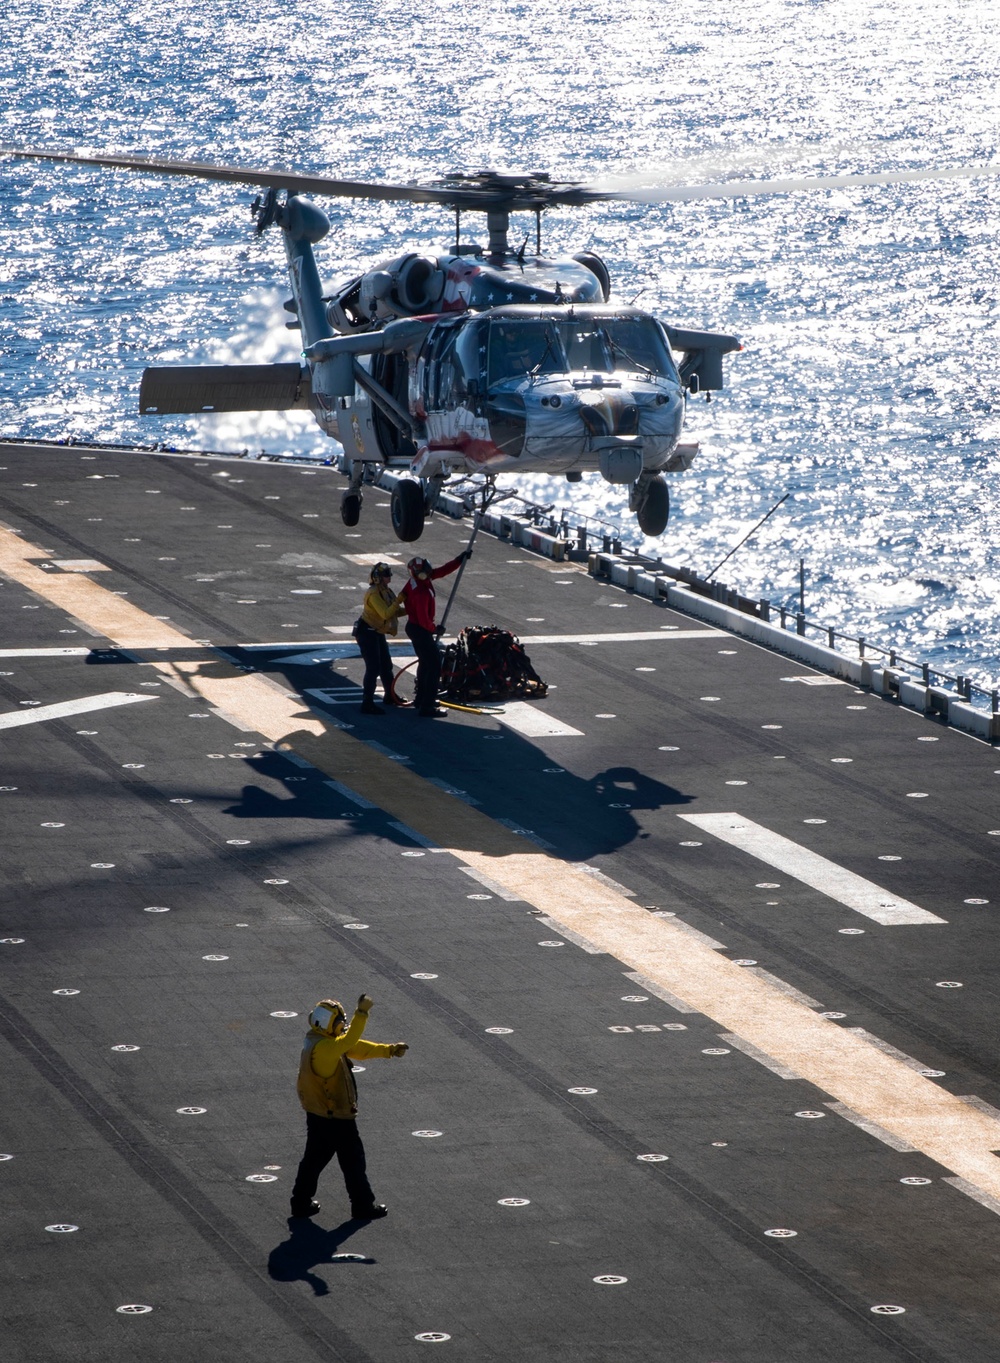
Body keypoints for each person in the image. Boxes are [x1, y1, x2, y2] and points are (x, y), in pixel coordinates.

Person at [289, 994, 408, 1221]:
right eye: (340, 1021)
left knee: (314, 1159)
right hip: (336, 1116)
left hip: (318, 1113)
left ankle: (300, 1202)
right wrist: (361, 1012)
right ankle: (362, 1206)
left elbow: (353, 1046)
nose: (344, 1025)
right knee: (353, 1161)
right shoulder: (326, 1048)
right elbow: (349, 1041)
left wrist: (388, 1050)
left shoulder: (318, 1041)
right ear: (330, 1025)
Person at [402, 551, 470, 717]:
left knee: (425, 664)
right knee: (434, 666)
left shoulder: (416, 581)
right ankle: (427, 706)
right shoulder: (421, 593)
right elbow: (423, 618)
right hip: (420, 630)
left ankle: (420, 698)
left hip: (415, 628)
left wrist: (458, 560)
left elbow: (442, 571)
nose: (431, 571)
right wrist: (435, 629)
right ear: (421, 572)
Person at [354, 562, 406, 715]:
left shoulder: (386, 591)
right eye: (386, 575)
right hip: (367, 632)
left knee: (386, 665)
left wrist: (411, 609)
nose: (389, 577)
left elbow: (395, 612)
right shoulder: (374, 593)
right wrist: (399, 601)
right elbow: (386, 614)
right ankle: (367, 702)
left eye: (389, 574)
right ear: (378, 577)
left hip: (376, 631)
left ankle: (390, 696)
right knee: (373, 667)